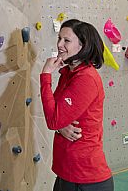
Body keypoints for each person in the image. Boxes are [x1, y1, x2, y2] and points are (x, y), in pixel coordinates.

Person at [40, 19, 114, 191]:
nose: (59, 44)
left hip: (87, 179)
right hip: (68, 173)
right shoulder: (68, 73)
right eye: (59, 38)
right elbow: (56, 117)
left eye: (66, 40)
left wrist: (45, 76)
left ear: (83, 45)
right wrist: (60, 127)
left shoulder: (86, 79)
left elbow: (52, 120)